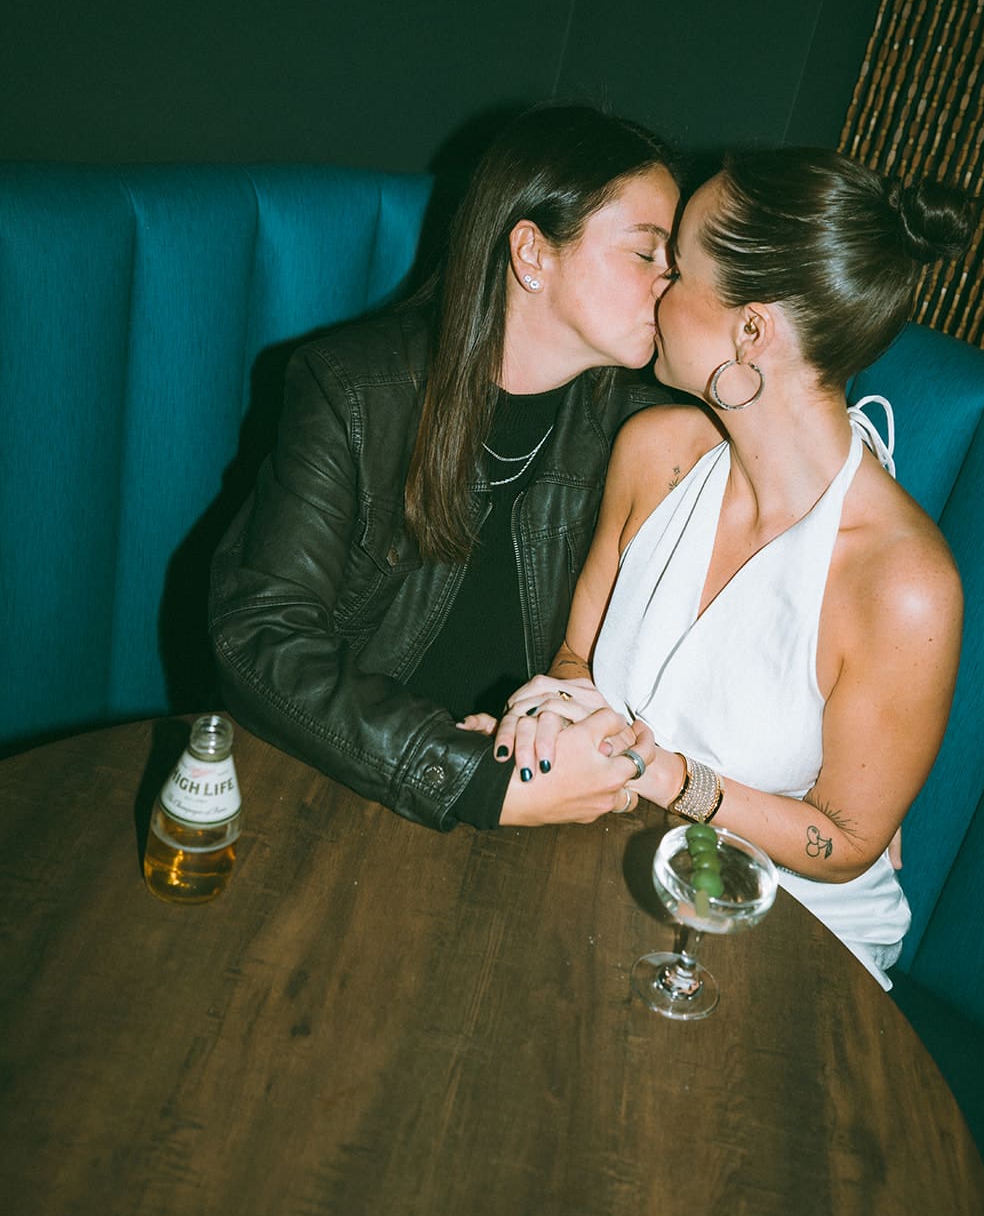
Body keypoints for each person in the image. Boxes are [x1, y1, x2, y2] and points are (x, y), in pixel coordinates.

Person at [489, 147, 972, 986]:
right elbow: (576, 659)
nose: (654, 288)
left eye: (674, 269)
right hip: (615, 856)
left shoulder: (901, 587)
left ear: (751, 329)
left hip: (789, 928)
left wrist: (671, 778)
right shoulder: (653, 453)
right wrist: (559, 712)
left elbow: (847, 844)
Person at [209, 103, 680, 831]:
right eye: (646, 253)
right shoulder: (355, 390)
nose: (668, 282)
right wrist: (469, 781)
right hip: (345, 788)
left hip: (555, 803)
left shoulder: (644, 428)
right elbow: (262, 635)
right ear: (531, 254)